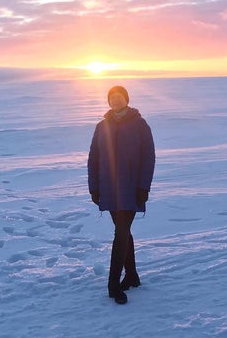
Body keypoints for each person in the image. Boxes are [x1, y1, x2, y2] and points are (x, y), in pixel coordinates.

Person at [87, 85, 156, 304]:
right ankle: (132, 276)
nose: (115, 101)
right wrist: (94, 188)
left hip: (131, 188)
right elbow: (93, 159)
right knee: (123, 232)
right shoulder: (101, 126)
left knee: (121, 233)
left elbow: (149, 158)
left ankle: (113, 284)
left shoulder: (140, 125)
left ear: (126, 99)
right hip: (108, 188)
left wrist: (144, 187)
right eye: (111, 98)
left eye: (119, 97)